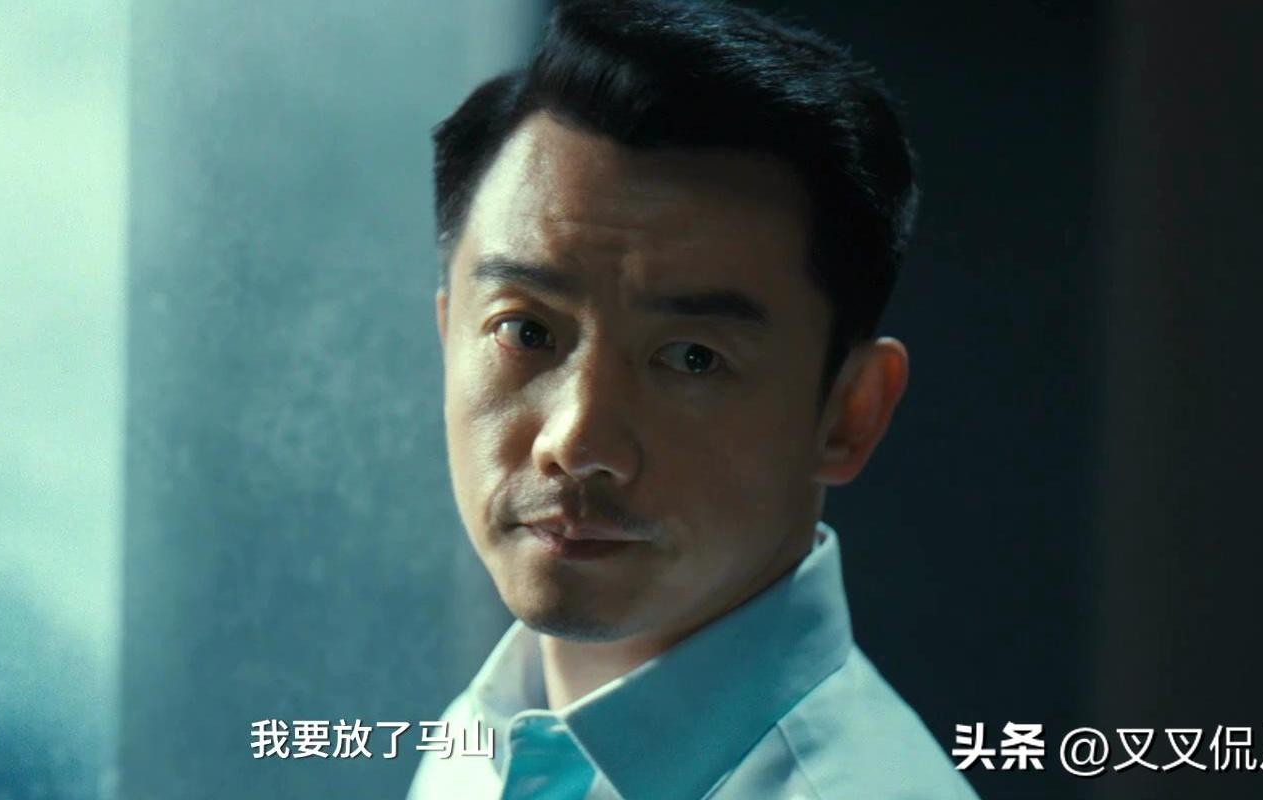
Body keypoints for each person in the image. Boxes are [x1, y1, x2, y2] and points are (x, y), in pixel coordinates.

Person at [408, 1, 979, 798]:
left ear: (851, 414)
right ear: (449, 337)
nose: (577, 442)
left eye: (693, 357)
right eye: (525, 332)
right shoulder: (491, 732)